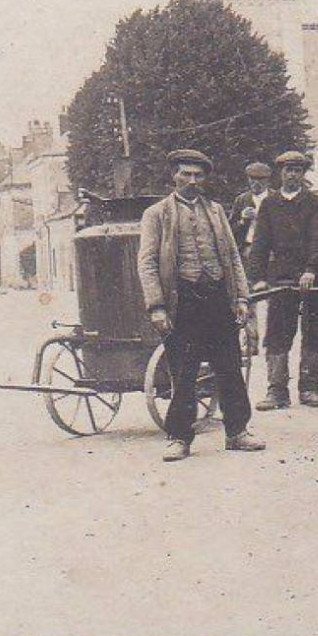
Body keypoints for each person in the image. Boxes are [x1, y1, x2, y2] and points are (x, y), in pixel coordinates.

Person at [136, 148, 265, 462]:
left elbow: (233, 257)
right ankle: (179, 437)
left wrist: (241, 298)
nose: (192, 180)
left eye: (198, 175)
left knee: (230, 368)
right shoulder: (157, 214)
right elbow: (147, 263)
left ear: (205, 178)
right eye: (186, 174)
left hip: (218, 298)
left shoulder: (217, 211)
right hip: (182, 301)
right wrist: (157, 306)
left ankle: (237, 432)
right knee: (184, 372)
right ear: (174, 175)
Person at [249, 151, 318, 410]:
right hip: (282, 277)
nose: (292, 174)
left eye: (298, 170)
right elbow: (260, 243)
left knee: (313, 330)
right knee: (277, 331)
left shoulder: (313, 203)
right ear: (280, 173)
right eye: (288, 169)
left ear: (303, 173)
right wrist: (259, 278)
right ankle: (277, 390)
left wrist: (311, 269)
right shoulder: (269, 204)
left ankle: (309, 388)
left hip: (314, 276)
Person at [229, 161, 273, 254]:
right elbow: (229, 229)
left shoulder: (276, 198)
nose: (256, 183)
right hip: (247, 248)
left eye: (261, 179)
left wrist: (260, 217)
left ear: (268, 180)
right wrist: (242, 220)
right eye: (252, 178)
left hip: (270, 251)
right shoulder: (241, 199)